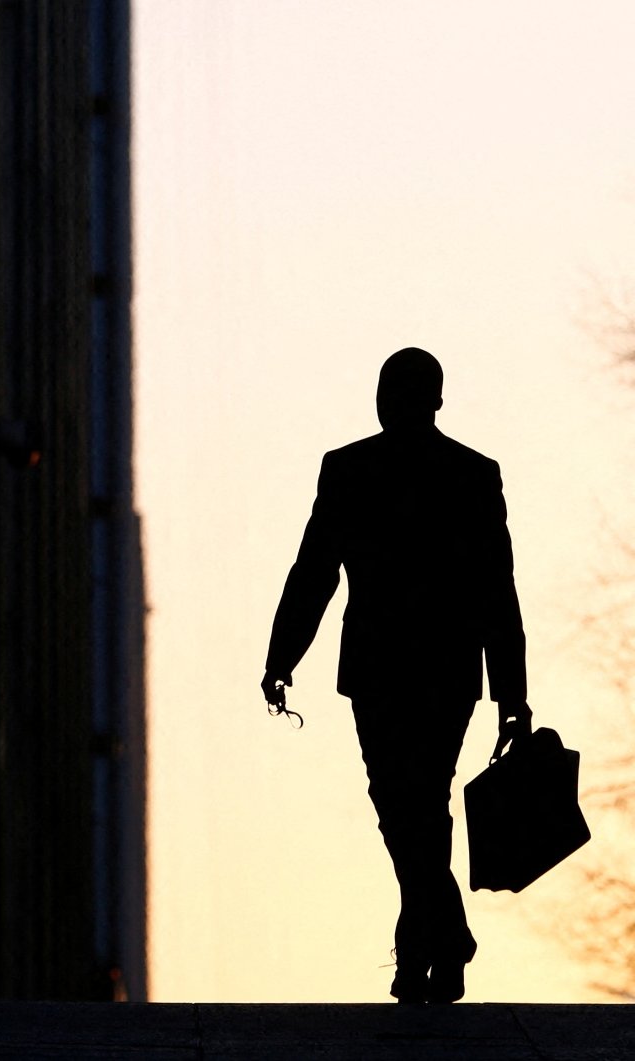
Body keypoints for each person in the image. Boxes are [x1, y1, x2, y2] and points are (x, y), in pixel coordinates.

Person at [260, 347, 531, 1004]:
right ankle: (439, 940)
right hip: (428, 669)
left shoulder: (364, 471)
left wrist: (281, 659)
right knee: (412, 806)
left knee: (406, 804)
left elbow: (315, 575)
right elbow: (318, 572)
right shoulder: (461, 474)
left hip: (394, 669)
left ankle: (428, 949)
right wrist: (510, 697)